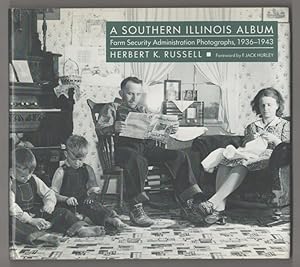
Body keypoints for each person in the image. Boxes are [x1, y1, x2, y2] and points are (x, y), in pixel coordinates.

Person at [95, 76, 207, 227]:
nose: (134, 98)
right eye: (129, 93)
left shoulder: (143, 109)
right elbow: (100, 129)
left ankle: (188, 202)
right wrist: (112, 128)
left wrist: (169, 129)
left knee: (179, 156)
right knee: (137, 159)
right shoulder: (112, 107)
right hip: (123, 149)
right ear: (121, 93)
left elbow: (155, 132)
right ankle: (135, 207)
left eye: (138, 94)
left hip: (146, 147)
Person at [195, 87, 290, 225]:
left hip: (271, 158)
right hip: (249, 154)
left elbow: (287, 148)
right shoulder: (252, 126)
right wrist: (251, 140)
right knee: (225, 161)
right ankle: (219, 209)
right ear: (257, 107)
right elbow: (246, 146)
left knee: (243, 163)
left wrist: (274, 140)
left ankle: (212, 204)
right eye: (262, 105)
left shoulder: (285, 125)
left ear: (277, 105)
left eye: (269, 105)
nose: (265, 108)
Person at [10, 147, 105, 247]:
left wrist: (49, 204)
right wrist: (30, 220)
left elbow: (48, 193)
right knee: (9, 223)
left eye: (30, 174)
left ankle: (81, 229)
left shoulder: (33, 179)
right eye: (22, 176)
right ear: (12, 170)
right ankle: (43, 237)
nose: (27, 178)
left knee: (62, 212)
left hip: (34, 214)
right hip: (20, 217)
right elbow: (11, 206)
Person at [51, 135, 128, 231]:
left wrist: (91, 196)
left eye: (80, 160)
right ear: (66, 154)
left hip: (82, 202)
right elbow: (53, 194)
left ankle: (113, 220)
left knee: (95, 206)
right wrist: (66, 199)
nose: (77, 163)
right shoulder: (61, 171)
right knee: (63, 215)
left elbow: (94, 189)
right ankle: (83, 227)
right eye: (74, 159)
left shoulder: (87, 169)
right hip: (67, 204)